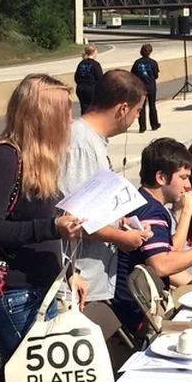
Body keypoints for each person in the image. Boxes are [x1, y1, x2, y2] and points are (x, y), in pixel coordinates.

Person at [0, 74, 85, 360]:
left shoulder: (39, 162)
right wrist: (52, 227)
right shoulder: (4, 157)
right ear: (44, 117)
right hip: (14, 297)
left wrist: (71, 273)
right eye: (64, 113)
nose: (70, 121)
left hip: (43, 290)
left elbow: (44, 225)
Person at [59, 70, 151, 312]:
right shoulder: (81, 143)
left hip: (93, 279)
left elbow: (95, 207)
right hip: (78, 280)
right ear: (123, 108)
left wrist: (124, 224)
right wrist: (121, 238)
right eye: (138, 111)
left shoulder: (94, 141)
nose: (137, 117)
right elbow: (75, 217)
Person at [112, 138, 192, 329]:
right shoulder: (150, 212)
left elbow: (167, 254)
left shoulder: (146, 203)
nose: (188, 185)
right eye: (183, 177)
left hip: (149, 304)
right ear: (161, 178)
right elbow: (161, 265)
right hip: (143, 316)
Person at [131, 43, 161, 132]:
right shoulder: (153, 62)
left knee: (141, 107)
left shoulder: (137, 63)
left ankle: (142, 127)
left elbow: (133, 74)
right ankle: (154, 124)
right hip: (151, 86)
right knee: (152, 106)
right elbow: (156, 75)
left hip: (140, 87)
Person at [74, 44, 103, 114]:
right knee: (93, 110)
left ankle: (84, 119)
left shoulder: (81, 63)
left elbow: (76, 77)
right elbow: (100, 79)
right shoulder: (95, 65)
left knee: (84, 109)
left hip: (81, 89)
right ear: (93, 52)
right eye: (96, 51)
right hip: (91, 90)